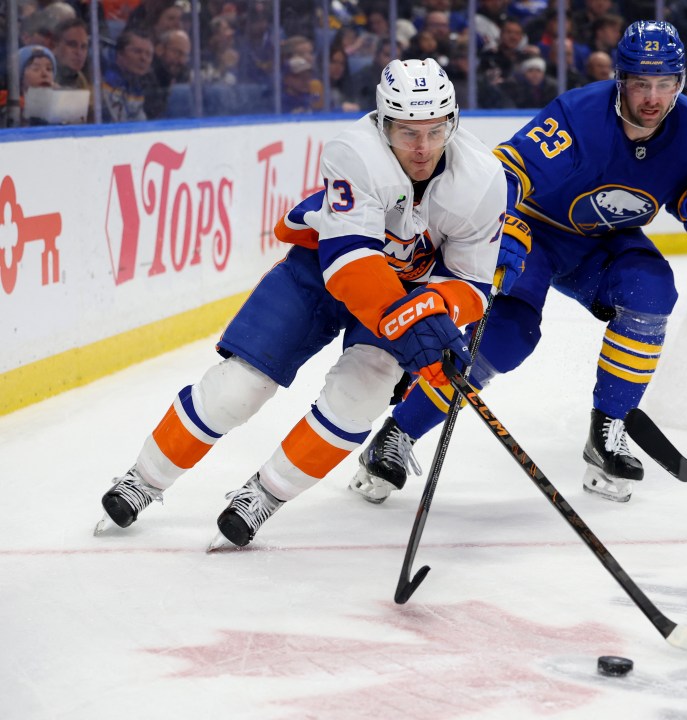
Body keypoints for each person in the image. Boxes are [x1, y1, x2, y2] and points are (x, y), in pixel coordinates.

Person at [95, 58, 509, 548]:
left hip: (407, 291)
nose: (422, 147)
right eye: (407, 132)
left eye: (435, 131)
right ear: (382, 123)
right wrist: (414, 321)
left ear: (453, 123)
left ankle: (264, 495)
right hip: (321, 271)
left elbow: (471, 283)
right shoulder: (355, 152)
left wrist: (437, 311)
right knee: (239, 387)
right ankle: (144, 479)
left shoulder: (483, 179)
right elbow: (351, 262)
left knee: (362, 396)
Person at [350, 20, 687, 505]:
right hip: (536, 233)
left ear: (680, 82)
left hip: (605, 241)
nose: (652, 98)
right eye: (641, 83)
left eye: (664, 84)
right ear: (620, 79)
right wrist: (503, 223)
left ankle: (608, 432)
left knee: (652, 289)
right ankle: (397, 434)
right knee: (506, 337)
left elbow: (680, 189)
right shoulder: (579, 117)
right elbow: (504, 170)